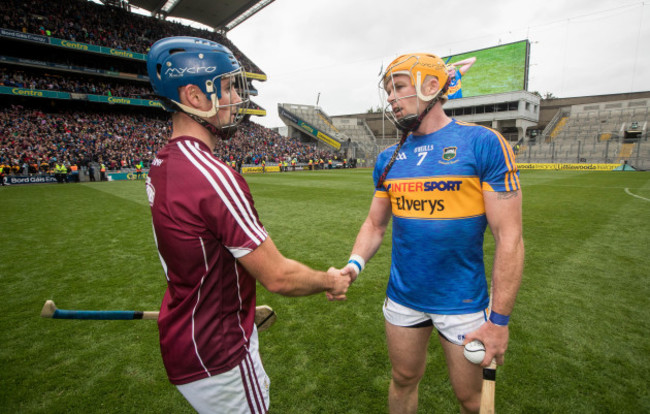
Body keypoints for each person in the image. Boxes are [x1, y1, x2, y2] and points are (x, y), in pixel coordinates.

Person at [145, 36, 351, 414]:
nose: (235, 99)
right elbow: (278, 277)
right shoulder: (213, 176)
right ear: (193, 96)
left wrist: (233, 304)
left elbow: (200, 259)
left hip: (189, 337)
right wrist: (330, 280)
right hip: (219, 352)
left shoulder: (161, 164)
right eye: (224, 88)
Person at [337, 53, 524, 414]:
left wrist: (499, 321)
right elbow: (375, 224)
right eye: (388, 90)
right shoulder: (388, 157)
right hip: (403, 298)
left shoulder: (483, 143)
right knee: (403, 379)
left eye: (399, 87)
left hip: (463, 303)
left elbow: (510, 239)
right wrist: (354, 264)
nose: (391, 98)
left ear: (431, 86)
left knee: (471, 399)